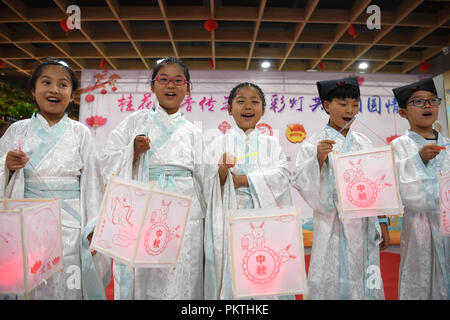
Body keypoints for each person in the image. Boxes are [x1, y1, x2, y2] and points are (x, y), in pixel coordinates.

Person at [100, 57, 211, 300]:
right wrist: (133, 150)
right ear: (152, 86)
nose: (171, 86)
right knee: (144, 272)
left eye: (178, 80)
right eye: (163, 79)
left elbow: (206, 178)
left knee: (182, 272)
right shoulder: (134, 122)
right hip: (145, 209)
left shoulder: (194, 132)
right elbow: (106, 162)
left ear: (188, 88)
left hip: (186, 212)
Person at [0, 58, 110, 299]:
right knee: (30, 285)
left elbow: (92, 182)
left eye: (63, 84)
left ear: (71, 94)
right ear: (33, 89)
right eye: (46, 82)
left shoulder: (81, 132)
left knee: (67, 285)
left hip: (70, 226)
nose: (54, 90)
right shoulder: (17, 131)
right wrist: (6, 166)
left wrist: (93, 227)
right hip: (27, 222)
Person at [291, 76, 388, 300]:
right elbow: (303, 184)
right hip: (332, 228)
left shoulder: (363, 142)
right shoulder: (314, 143)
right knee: (331, 280)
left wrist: (382, 220)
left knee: (366, 280)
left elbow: (375, 183)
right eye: (343, 104)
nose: (350, 110)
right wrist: (318, 158)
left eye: (355, 104)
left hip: (363, 225)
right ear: (327, 106)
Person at [204, 82, 293, 300]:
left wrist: (244, 180)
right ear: (229, 108)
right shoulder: (217, 143)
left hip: (264, 219)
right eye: (240, 101)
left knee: (264, 273)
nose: (247, 107)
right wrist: (222, 172)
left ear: (263, 110)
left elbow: (281, 176)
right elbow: (206, 181)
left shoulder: (272, 144)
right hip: (227, 220)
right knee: (232, 274)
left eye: (255, 102)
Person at [392, 78, 449, 300]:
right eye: (418, 102)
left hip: (448, 223)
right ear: (403, 113)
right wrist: (418, 160)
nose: (427, 106)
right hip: (419, 226)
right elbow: (397, 185)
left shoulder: (448, 144)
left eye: (432, 101)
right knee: (419, 278)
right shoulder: (400, 145)